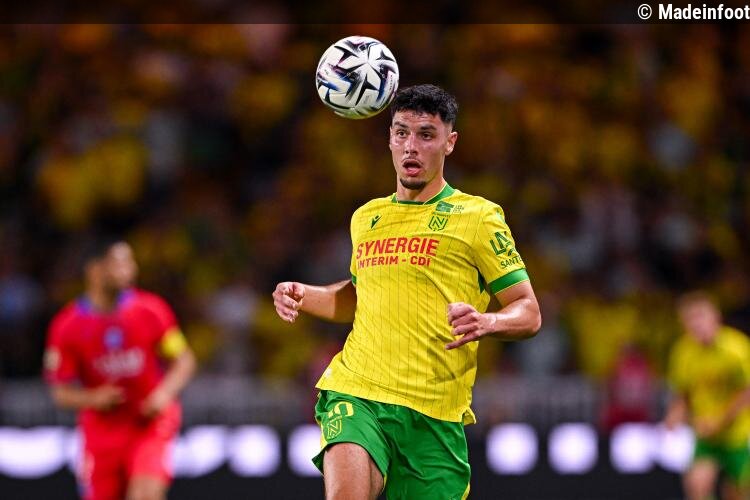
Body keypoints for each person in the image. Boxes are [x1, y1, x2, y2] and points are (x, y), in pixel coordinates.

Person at [273, 84, 541, 499]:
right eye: (401, 133)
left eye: (426, 135)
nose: (411, 146)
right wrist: (303, 294)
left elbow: (528, 311)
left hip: (434, 415)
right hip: (358, 390)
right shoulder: (368, 218)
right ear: (389, 138)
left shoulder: (479, 218)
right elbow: (360, 298)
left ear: (450, 142)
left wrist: (488, 321)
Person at [44, 238, 196, 500]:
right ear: (95, 270)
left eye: (130, 262)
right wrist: (94, 398)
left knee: (145, 494)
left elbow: (184, 361)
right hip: (102, 434)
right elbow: (60, 392)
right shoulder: (66, 326)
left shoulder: (151, 310)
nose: (130, 269)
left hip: (148, 425)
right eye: (120, 263)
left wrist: (163, 394)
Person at [664, 291, 750, 500]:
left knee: (737, 493)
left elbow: (747, 392)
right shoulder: (683, 352)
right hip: (705, 433)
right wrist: (675, 414)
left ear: (716, 317)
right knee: (697, 486)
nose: (697, 324)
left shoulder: (737, 348)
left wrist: (720, 420)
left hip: (737, 434)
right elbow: (683, 392)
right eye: (690, 319)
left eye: (700, 317)